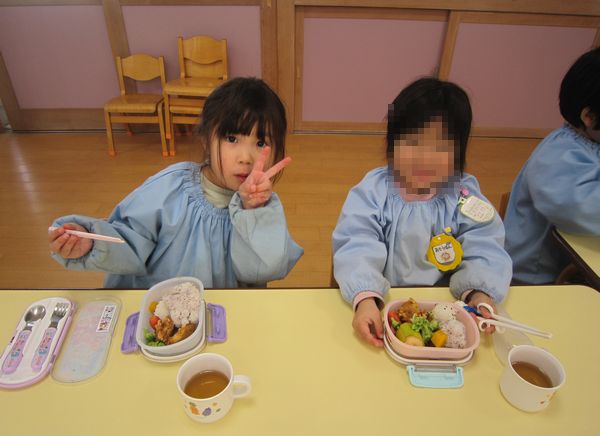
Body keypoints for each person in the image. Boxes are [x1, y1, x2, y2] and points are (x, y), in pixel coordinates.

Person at [49, 77, 303, 288]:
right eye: (231, 139)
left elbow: (264, 270)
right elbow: (129, 239)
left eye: (261, 143)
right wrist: (91, 243)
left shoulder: (263, 206)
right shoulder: (170, 188)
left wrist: (253, 212)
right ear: (205, 138)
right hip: (161, 312)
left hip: (225, 317)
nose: (245, 158)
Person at [332, 77, 512, 347]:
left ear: (458, 153)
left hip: (449, 312)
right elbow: (357, 242)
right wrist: (366, 298)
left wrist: (480, 293)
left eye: (440, 148)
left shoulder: (463, 196)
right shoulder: (374, 190)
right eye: (413, 142)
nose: (424, 158)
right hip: (386, 306)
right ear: (393, 143)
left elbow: (485, 245)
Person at [504, 47, 600, 285]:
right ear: (589, 117)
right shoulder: (560, 154)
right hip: (533, 276)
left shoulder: (591, 141)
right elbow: (575, 208)